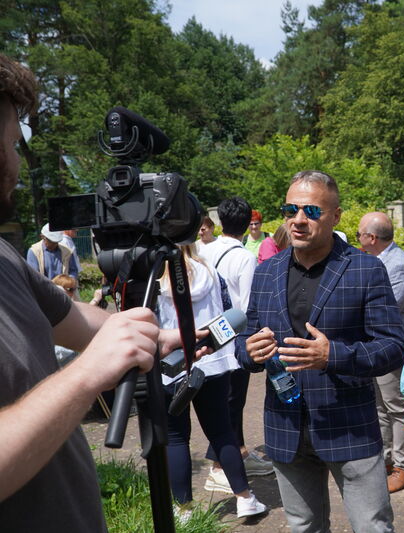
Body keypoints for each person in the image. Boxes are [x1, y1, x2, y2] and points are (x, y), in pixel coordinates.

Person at [0, 53, 189, 531]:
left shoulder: (3, 258)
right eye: (11, 139)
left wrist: (159, 337)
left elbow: (79, 321)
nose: (19, 157)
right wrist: (86, 375)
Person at [239, 170, 404, 533]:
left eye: (311, 211)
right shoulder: (266, 272)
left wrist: (334, 356)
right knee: (304, 526)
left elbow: (394, 348)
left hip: (349, 426)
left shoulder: (366, 269)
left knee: (372, 526)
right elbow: (246, 341)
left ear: (335, 216)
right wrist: (248, 351)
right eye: (291, 209)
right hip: (285, 427)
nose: (298, 220)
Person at [158, 244, 267, 520]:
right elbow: (228, 314)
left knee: (175, 438)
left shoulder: (156, 278)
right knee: (221, 432)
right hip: (213, 361)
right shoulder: (210, 271)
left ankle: (182, 510)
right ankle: (245, 498)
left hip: (170, 366)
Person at [197, 197, 273, 488]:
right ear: (247, 224)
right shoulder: (244, 257)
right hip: (232, 336)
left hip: (205, 335)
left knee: (226, 400)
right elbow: (246, 305)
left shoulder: (205, 249)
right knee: (231, 401)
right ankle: (219, 466)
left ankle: (238, 453)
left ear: (219, 222)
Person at [358, 211, 404, 493]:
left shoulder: (399, 265)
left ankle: (403, 466)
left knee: (397, 408)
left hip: (391, 348)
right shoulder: (376, 260)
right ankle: (383, 460)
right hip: (374, 348)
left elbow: (387, 310)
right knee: (380, 409)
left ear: (371, 238)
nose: (357, 239)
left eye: (359, 234)